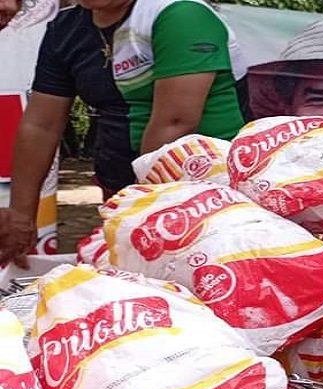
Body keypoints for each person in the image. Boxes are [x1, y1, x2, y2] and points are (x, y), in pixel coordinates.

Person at [3, 0, 248, 268]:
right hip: (122, 186)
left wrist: (137, 214)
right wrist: (20, 215)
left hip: (205, 192)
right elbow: (41, 125)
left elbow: (175, 122)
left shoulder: (181, 14)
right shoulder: (66, 28)